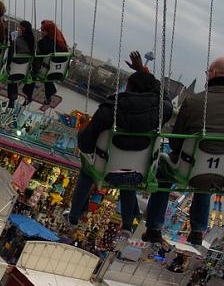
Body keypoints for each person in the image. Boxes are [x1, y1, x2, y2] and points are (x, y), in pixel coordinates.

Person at [142, 55, 224, 246]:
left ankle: (154, 227)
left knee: (165, 168)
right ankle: (198, 230)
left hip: (190, 168)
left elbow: (175, 142)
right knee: (207, 172)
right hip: (222, 174)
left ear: (213, 73)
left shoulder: (194, 101)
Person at [67, 52, 172, 231]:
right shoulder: (162, 111)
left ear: (128, 89)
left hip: (106, 170)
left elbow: (85, 143)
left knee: (87, 169)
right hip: (137, 172)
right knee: (128, 172)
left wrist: (84, 129)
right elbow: (164, 95)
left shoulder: (110, 109)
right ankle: (127, 223)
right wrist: (143, 71)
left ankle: (75, 215)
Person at [22, 20, 68, 106]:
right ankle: (49, 93)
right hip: (59, 72)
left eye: (43, 30)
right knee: (47, 73)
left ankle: (28, 94)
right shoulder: (62, 44)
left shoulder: (43, 43)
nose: (41, 32)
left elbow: (38, 56)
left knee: (33, 72)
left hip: (46, 70)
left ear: (48, 32)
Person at [6, 20, 36, 106]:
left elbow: (12, 49)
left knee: (12, 76)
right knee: (14, 79)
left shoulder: (19, 41)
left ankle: (12, 98)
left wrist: (12, 40)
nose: (18, 29)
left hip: (14, 67)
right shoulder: (31, 42)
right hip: (24, 70)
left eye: (19, 27)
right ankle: (12, 99)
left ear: (23, 28)